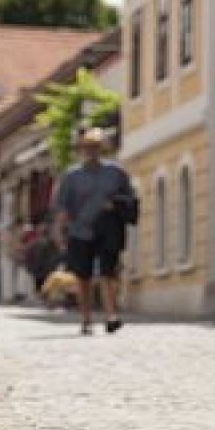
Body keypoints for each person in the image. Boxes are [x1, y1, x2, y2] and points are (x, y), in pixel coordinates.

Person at [53, 126, 135, 335]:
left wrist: (116, 205)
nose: (91, 151)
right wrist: (60, 232)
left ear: (102, 149)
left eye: (96, 147)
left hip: (108, 228)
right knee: (84, 277)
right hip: (80, 230)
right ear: (81, 149)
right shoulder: (72, 176)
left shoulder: (116, 173)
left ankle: (111, 316)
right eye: (88, 147)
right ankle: (86, 319)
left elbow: (131, 200)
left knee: (109, 272)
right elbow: (63, 207)